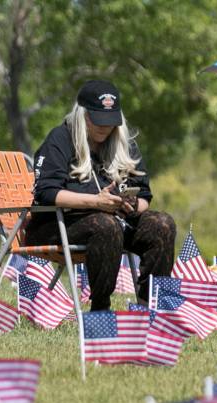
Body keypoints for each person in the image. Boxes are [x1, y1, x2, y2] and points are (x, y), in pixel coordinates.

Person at [28, 79, 176, 310]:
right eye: (97, 120)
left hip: (116, 222)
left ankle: (151, 306)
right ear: (82, 113)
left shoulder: (123, 143)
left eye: (110, 122)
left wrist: (131, 205)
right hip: (57, 225)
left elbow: (145, 195)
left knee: (163, 224)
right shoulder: (60, 138)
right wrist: (96, 202)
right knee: (105, 225)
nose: (104, 127)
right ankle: (101, 309)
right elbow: (45, 192)